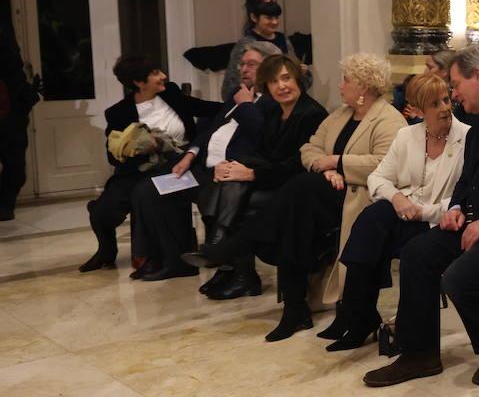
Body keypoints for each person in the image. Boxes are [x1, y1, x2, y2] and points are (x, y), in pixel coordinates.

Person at [362, 45, 479, 388]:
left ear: (477, 76)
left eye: (455, 84)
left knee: (457, 278)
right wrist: (454, 208)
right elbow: (470, 175)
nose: (452, 94)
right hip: (478, 222)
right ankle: (420, 353)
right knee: (418, 253)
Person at [186, 54, 406, 341]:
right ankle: (295, 308)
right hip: (325, 193)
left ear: (364, 87)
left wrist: (335, 163)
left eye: (346, 81)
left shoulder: (389, 119)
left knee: (298, 190)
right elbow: (308, 149)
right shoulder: (340, 115)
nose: (340, 86)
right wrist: (324, 167)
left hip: (363, 197)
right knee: (294, 218)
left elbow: (384, 165)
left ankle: (239, 249)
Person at [143, 52, 324, 299]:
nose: (281, 86)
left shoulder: (310, 113)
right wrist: (230, 166)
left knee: (239, 195)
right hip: (268, 175)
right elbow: (257, 148)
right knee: (226, 177)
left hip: (295, 184)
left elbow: (296, 164)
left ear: (297, 80)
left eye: (286, 78)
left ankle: (227, 258)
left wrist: (251, 173)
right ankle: (229, 262)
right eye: (274, 81)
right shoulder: (275, 111)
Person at [327, 73, 469, 350]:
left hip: (439, 221)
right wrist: (397, 199)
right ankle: (360, 315)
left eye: (446, 100)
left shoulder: (466, 138)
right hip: (405, 212)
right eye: (434, 104)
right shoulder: (407, 135)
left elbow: (464, 198)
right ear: (417, 109)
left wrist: (423, 212)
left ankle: (363, 318)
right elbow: (377, 178)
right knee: (370, 220)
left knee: (382, 236)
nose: (444, 108)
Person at [82, 54, 221, 274]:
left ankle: (200, 251)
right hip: (139, 169)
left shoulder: (171, 93)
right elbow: (113, 155)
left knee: (150, 194)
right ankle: (106, 251)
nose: (163, 76)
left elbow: (207, 108)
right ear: (139, 82)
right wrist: (139, 148)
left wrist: (239, 104)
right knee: (103, 211)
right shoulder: (118, 112)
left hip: (180, 164)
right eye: (156, 73)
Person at [223, 0, 310, 102]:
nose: (274, 22)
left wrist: (302, 72)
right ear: (254, 18)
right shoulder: (244, 45)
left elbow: (294, 73)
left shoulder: (283, 40)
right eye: (269, 18)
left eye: (276, 17)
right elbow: (232, 84)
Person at [0, 23, 38, 220]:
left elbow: (14, 70)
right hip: (11, 108)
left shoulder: (4, 33)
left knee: (15, 165)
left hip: (11, 110)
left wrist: (24, 95)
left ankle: (5, 205)